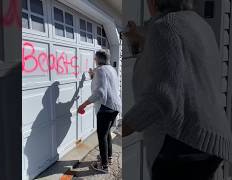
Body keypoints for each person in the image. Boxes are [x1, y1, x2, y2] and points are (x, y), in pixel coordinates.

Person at [123, 0, 232, 179]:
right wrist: (139, 38)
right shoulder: (199, 24)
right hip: (209, 140)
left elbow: (162, 96)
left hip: (183, 143)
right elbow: (176, 52)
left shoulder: (165, 26)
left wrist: (125, 127)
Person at [78, 49, 122, 173]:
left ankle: (103, 166)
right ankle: (108, 158)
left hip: (106, 108)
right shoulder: (111, 69)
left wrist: (83, 105)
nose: (94, 59)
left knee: (102, 136)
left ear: (99, 59)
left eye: (95, 57)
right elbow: (105, 84)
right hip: (115, 107)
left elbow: (99, 93)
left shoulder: (100, 71)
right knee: (106, 133)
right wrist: (93, 75)